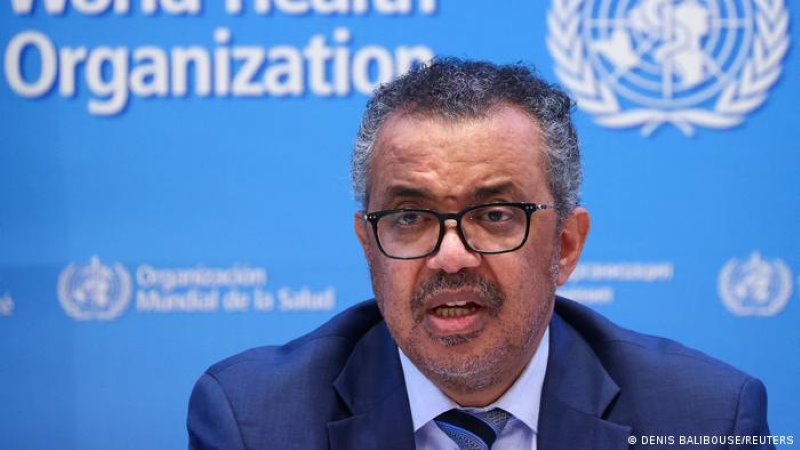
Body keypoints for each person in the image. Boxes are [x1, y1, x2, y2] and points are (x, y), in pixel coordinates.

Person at [187, 58, 773, 449]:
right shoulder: (254, 421)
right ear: (369, 247)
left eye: (494, 215)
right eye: (410, 218)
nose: (451, 257)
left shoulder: (707, 421)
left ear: (565, 246)